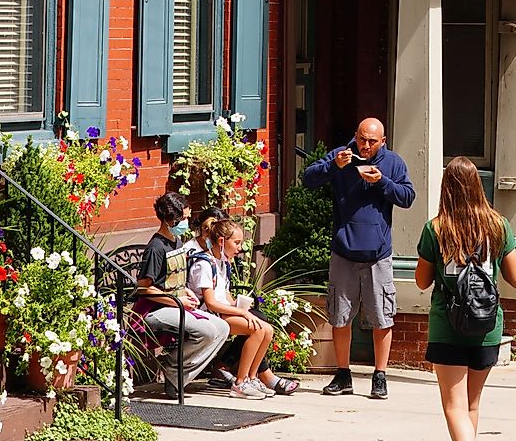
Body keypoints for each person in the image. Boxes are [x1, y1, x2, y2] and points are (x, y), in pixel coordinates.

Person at [415, 157, 516, 441]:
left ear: (447, 188)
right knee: (471, 405)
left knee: (453, 405)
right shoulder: (498, 226)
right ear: (478, 185)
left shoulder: (436, 229)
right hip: (486, 328)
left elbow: (421, 280)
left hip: (448, 327)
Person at [302, 118, 416, 399]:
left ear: (383, 141)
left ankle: (380, 375)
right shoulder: (342, 155)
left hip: (378, 254)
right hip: (343, 251)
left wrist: (382, 182)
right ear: (355, 136)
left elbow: (407, 197)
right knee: (340, 317)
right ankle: (343, 374)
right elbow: (308, 178)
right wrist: (333, 166)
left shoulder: (393, 163)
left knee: (381, 317)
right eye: (362, 139)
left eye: (372, 141)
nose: (365, 146)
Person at [187, 216, 296, 398]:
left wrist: (238, 304)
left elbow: (225, 295)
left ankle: (253, 377)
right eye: (237, 243)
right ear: (221, 241)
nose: (240, 248)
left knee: (267, 330)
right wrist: (241, 312)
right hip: (209, 315)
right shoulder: (204, 264)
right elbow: (211, 302)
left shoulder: (222, 262)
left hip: (221, 312)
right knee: (257, 329)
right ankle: (240, 382)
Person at [136, 192, 228, 393]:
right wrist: (177, 300)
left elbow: (172, 277)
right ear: (170, 218)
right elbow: (144, 287)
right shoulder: (156, 248)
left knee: (222, 328)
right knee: (207, 331)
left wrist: (185, 291)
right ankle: (172, 369)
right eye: (183, 219)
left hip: (176, 302)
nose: (186, 223)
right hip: (154, 309)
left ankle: (177, 373)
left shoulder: (176, 241)